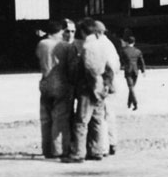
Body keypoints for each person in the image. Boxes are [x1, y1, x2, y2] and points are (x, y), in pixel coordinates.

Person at [64, 18, 120, 162]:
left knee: (81, 122)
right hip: (101, 88)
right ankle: (97, 151)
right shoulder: (102, 45)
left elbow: (89, 69)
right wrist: (105, 85)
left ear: (82, 32)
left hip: (88, 88)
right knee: (97, 120)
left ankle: (78, 153)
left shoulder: (87, 47)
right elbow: (110, 68)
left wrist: (89, 85)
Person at [35, 19, 76, 158]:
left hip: (45, 82)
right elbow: (71, 65)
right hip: (61, 83)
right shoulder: (65, 46)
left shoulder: (41, 44)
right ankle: (58, 150)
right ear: (60, 30)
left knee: (46, 118)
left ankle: (46, 149)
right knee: (60, 119)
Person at [119, 34, 146, 110]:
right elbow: (141, 62)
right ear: (134, 42)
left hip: (128, 70)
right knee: (132, 87)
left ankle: (135, 103)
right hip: (135, 71)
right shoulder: (138, 51)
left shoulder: (124, 51)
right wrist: (143, 70)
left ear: (127, 42)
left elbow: (121, 61)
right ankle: (129, 103)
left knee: (131, 87)